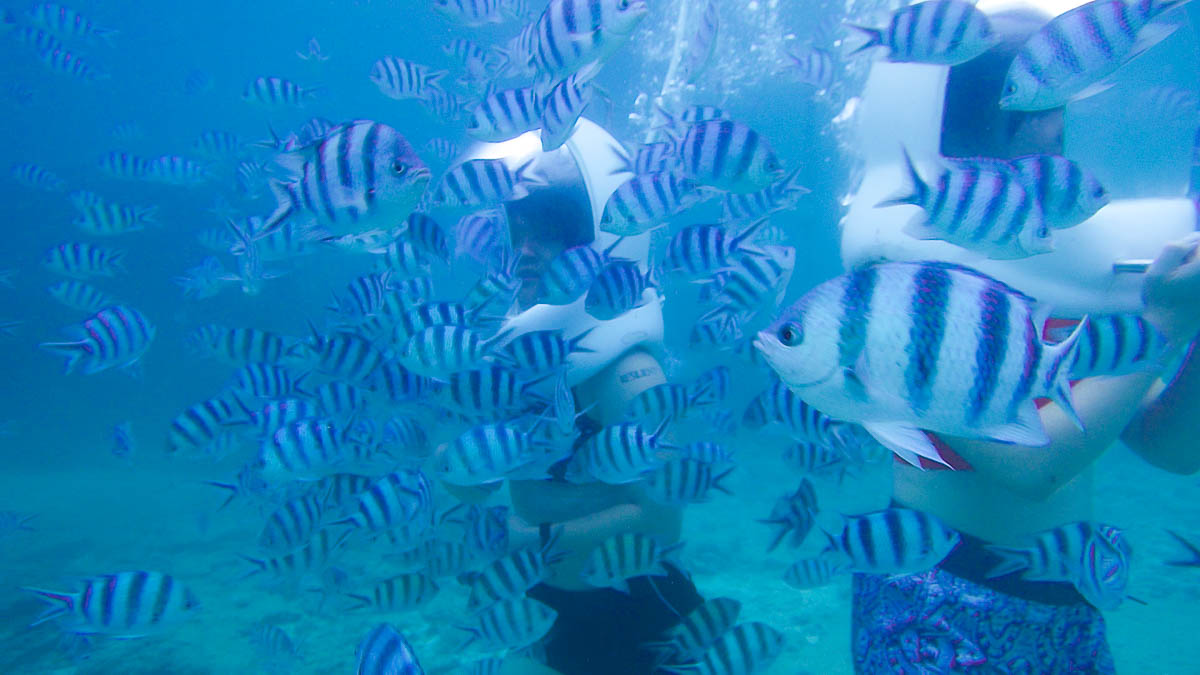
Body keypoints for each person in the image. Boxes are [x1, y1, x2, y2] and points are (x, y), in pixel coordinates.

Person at [840, 4, 1200, 673]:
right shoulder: (912, 285)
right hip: (938, 600)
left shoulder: (1068, 269)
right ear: (1011, 109)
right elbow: (1030, 463)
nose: (1072, 117)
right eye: (1062, 90)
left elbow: (1169, 444)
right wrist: (1170, 321)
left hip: (1068, 605)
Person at [435, 119, 703, 675]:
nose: (527, 250)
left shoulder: (627, 370)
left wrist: (521, 541)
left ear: (603, 238)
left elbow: (661, 523)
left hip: (637, 618)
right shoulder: (525, 360)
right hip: (547, 611)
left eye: (553, 225)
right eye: (519, 226)